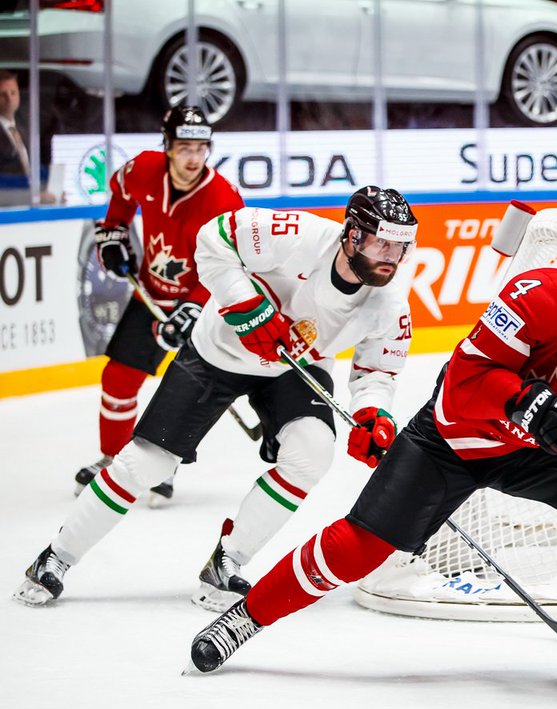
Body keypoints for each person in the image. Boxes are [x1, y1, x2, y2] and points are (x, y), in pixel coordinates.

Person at [187, 212, 557, 684]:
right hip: (454, 440)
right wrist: (524, 403)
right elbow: (462, 389)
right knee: (358, 548)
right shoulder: (536, 296)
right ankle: (244, 620)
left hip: (539, 449)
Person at [14, 187, 418, 611]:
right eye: (381, 241)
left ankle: (229, 560)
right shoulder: (297, 235)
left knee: (312, 453)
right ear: (352, 235)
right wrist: (248, 309)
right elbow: (214, 238)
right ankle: (57, 555)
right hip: (217, 353)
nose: (391, 255)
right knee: (147, 463)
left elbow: (377, 371)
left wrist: (374, 414)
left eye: (400, 246)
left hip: (294, 367)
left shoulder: (390, 304)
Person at [73, 105, 244, 505]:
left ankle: (158, 468)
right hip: (149, 294)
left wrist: (196, 306)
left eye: (201, 148)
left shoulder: (223, 198)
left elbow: (232, 265)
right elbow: (119, 194)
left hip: (201, 305)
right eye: (184, 147)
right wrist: (113, 232)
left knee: (183, 394)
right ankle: (113, 460)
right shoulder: (143, 170)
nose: (193, 158)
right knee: (118, 378)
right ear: (167, 147)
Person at [0, 70, 54, 205]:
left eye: (13, 93)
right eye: (2, 94)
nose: (9, 99)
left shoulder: (23, 129)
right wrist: (31, 197)